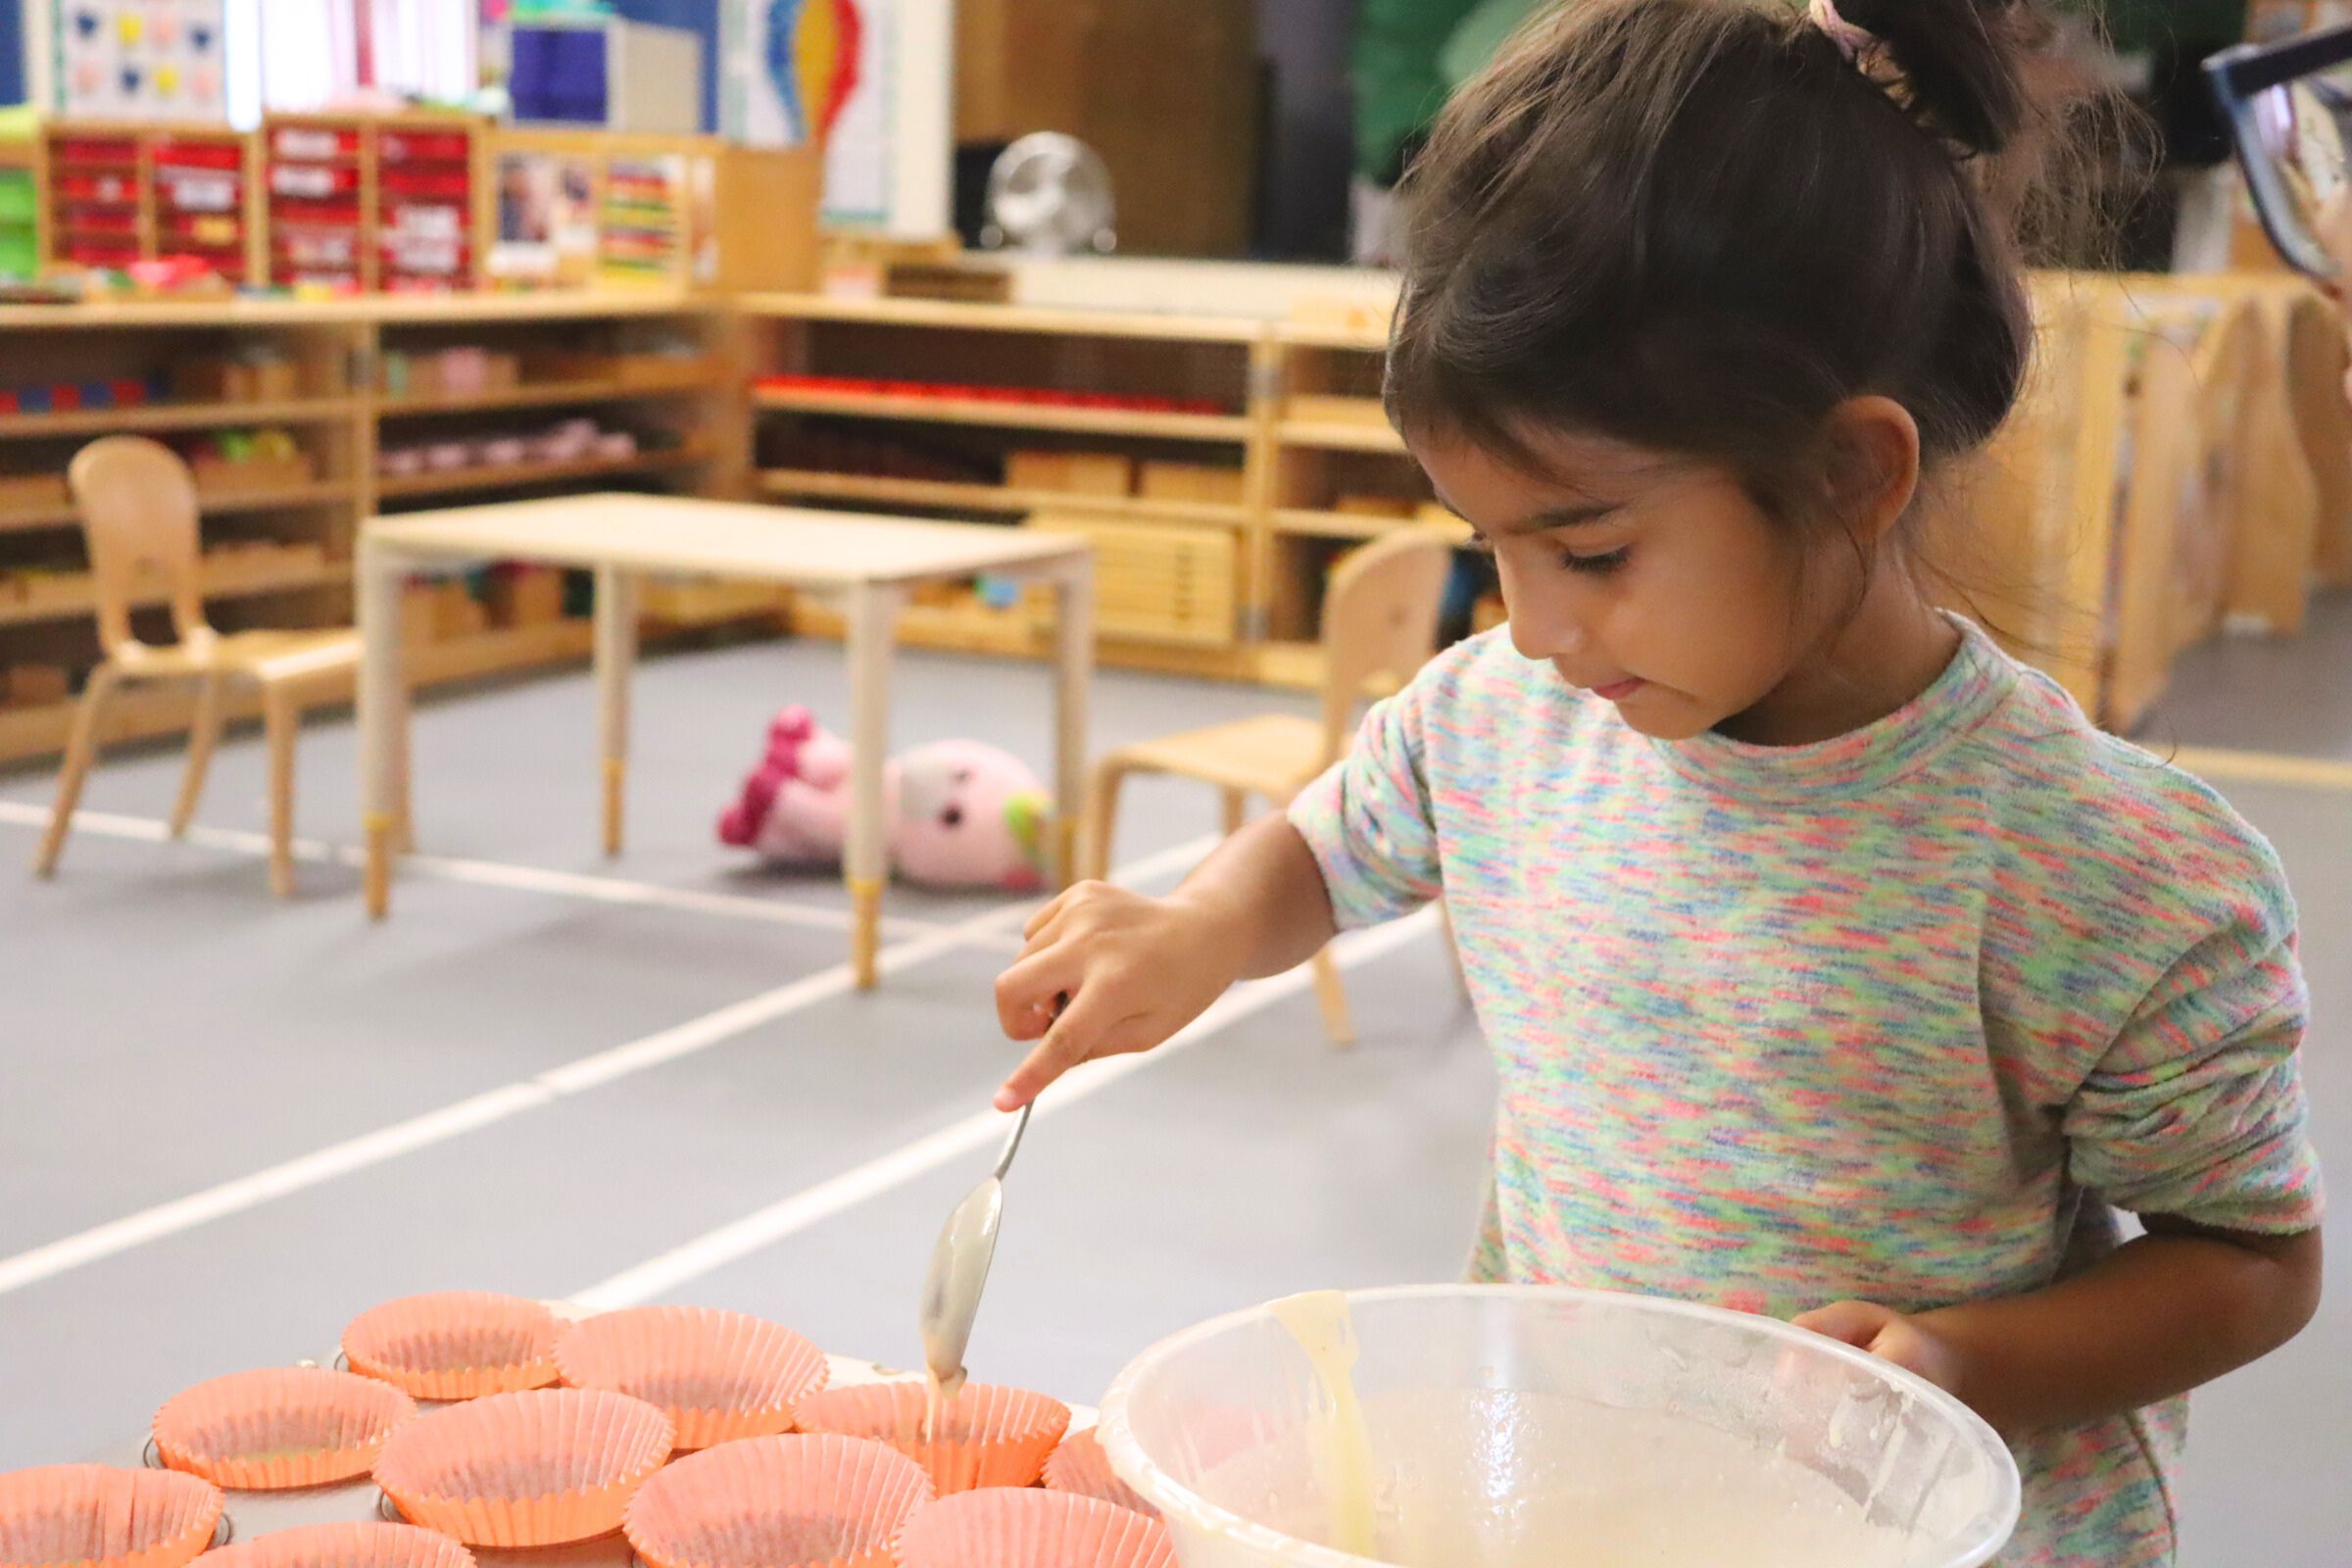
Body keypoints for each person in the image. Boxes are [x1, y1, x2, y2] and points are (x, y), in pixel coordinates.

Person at [993, 0, 2325, 1561]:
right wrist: (1202, 928)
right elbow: (1337, 840)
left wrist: (1968, 1366)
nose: (1536, 628)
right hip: (1586, 1490)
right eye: (1490, 548)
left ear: (1851, 473)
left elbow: (2246, 1258)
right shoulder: (1498, 721)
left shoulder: (2097, 866)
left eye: (1594, 550)